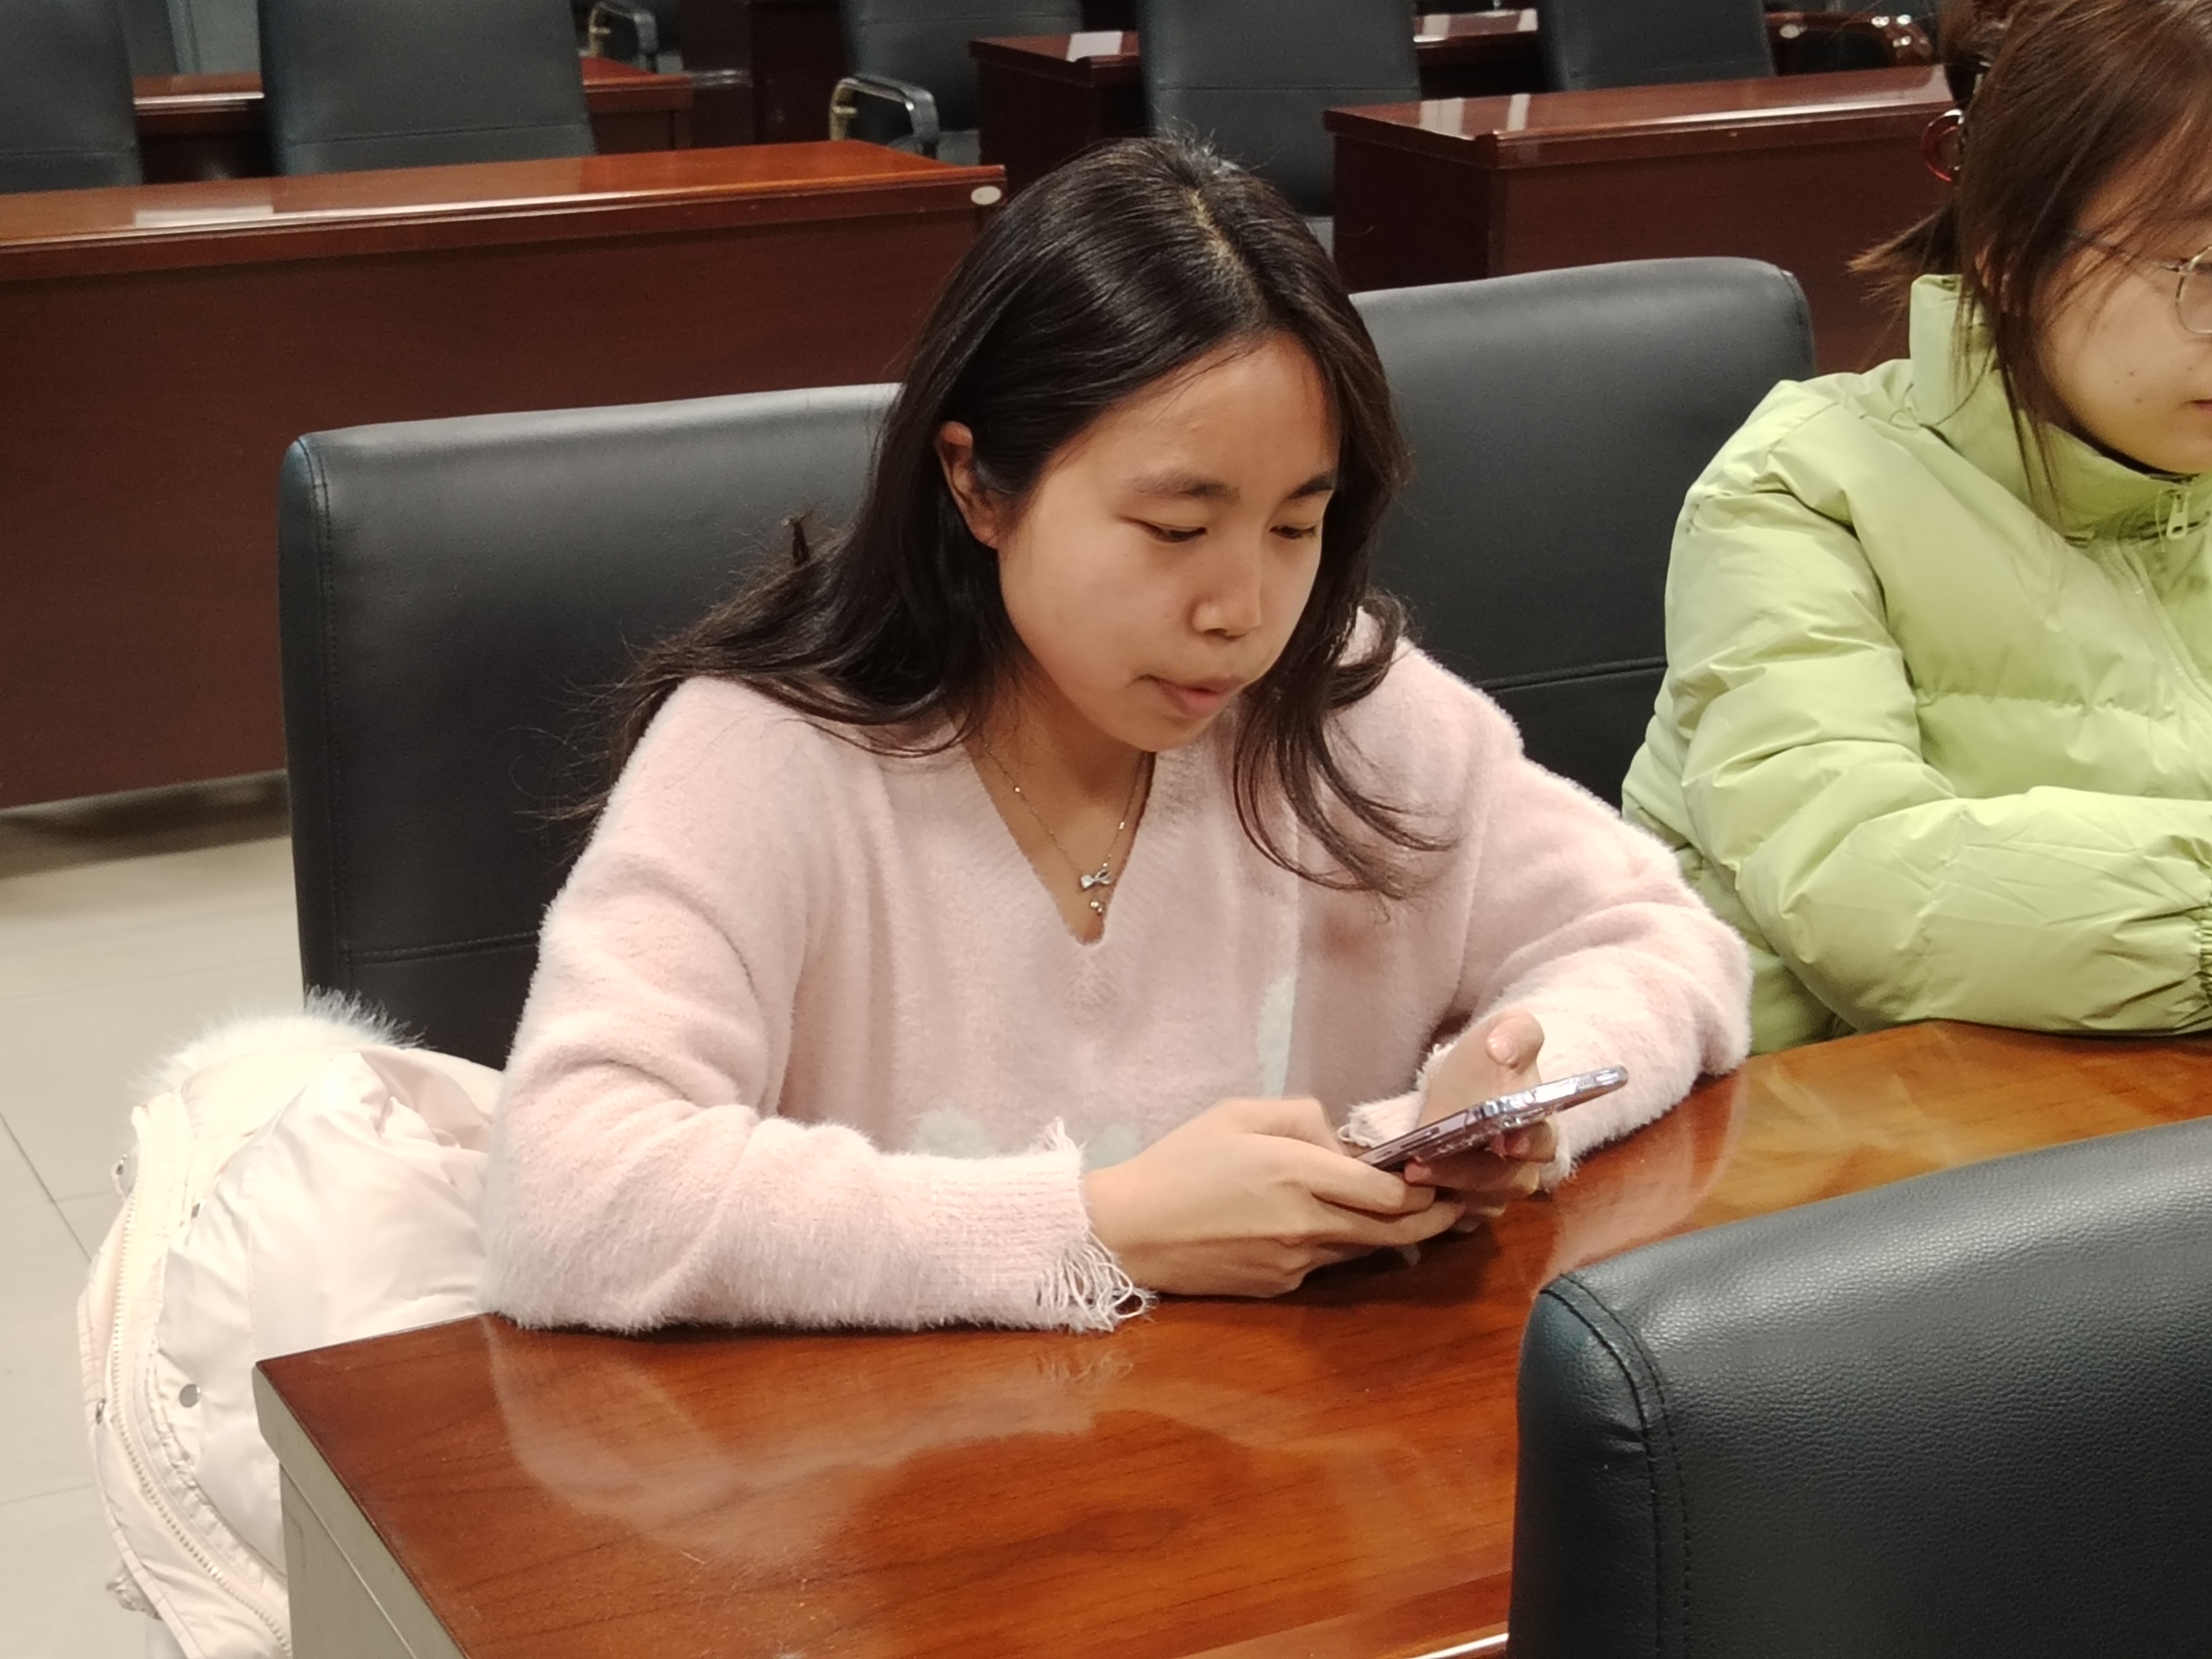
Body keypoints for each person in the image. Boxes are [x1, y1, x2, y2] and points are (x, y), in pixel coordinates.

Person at [480, 138, 1751, 1334]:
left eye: (1294, 527)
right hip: (897, 1473)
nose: (1239, 610)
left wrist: (1502, 1097)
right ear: (976, 483)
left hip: (1287, 1453)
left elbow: (1661, 943)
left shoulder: (1335, 703)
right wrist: (1103, 1228)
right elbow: (569, 1193)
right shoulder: (764, 758)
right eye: (1174, 529)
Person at [1622, 0, 2212, 1053]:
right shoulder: (1803, 490)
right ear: (2010, 255)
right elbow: (1862, 886)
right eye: (2203, 272)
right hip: (1858, 1113)